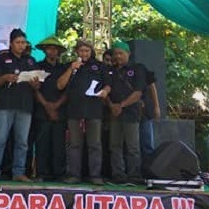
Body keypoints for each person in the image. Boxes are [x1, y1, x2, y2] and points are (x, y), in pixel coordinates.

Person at [57, 40, 111, 184]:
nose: (84, 54)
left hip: (94, 110)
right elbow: (60, 85)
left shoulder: (99, 66)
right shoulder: (71, 66)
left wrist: (105, 91)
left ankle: (95, 175)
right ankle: (74, 174)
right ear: (77, 52)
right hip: (74, 110)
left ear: (91, 51)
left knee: (95, 144)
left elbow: (108, 85)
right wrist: (71, 69)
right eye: (81, 51)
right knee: (74, 144)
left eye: (87, 51)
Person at [0, 28, 38, 182]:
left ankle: (19, 172)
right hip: (5, 104)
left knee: (22, 142)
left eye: (23, 43)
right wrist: (5, 78)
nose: (21, 46)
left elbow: (38, 86)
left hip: (25, 106)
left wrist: (35, 83)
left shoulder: (30, 61)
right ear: (11, 43)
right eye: (18, 42)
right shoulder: (1, 60)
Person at [106, 40, 146, 184]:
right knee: (114, 145)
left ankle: (134, 176)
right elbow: (106, 90)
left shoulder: (138, 68)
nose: (117, 56)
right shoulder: (110, 71)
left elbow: (138, 93)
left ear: (128, 53)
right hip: (114, 113)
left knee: (133, 146)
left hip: (130, 113)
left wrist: (120, 106)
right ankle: (118, 175)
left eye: (120, 53)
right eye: (115, 53)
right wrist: (111, 106)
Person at [31, 36, 68, 181]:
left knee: (59, 144)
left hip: (60, 110)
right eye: (49, 49)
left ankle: (59, 174)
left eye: (54, 49)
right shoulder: (38, 67)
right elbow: (35, 90)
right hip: (42, 110)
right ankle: (42, 173)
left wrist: (56, 106)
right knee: (42, 143)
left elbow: (68, 90)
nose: (52, 51)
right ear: (45, 50)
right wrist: (47, 106)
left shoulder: (64, 68)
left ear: (58, 52)